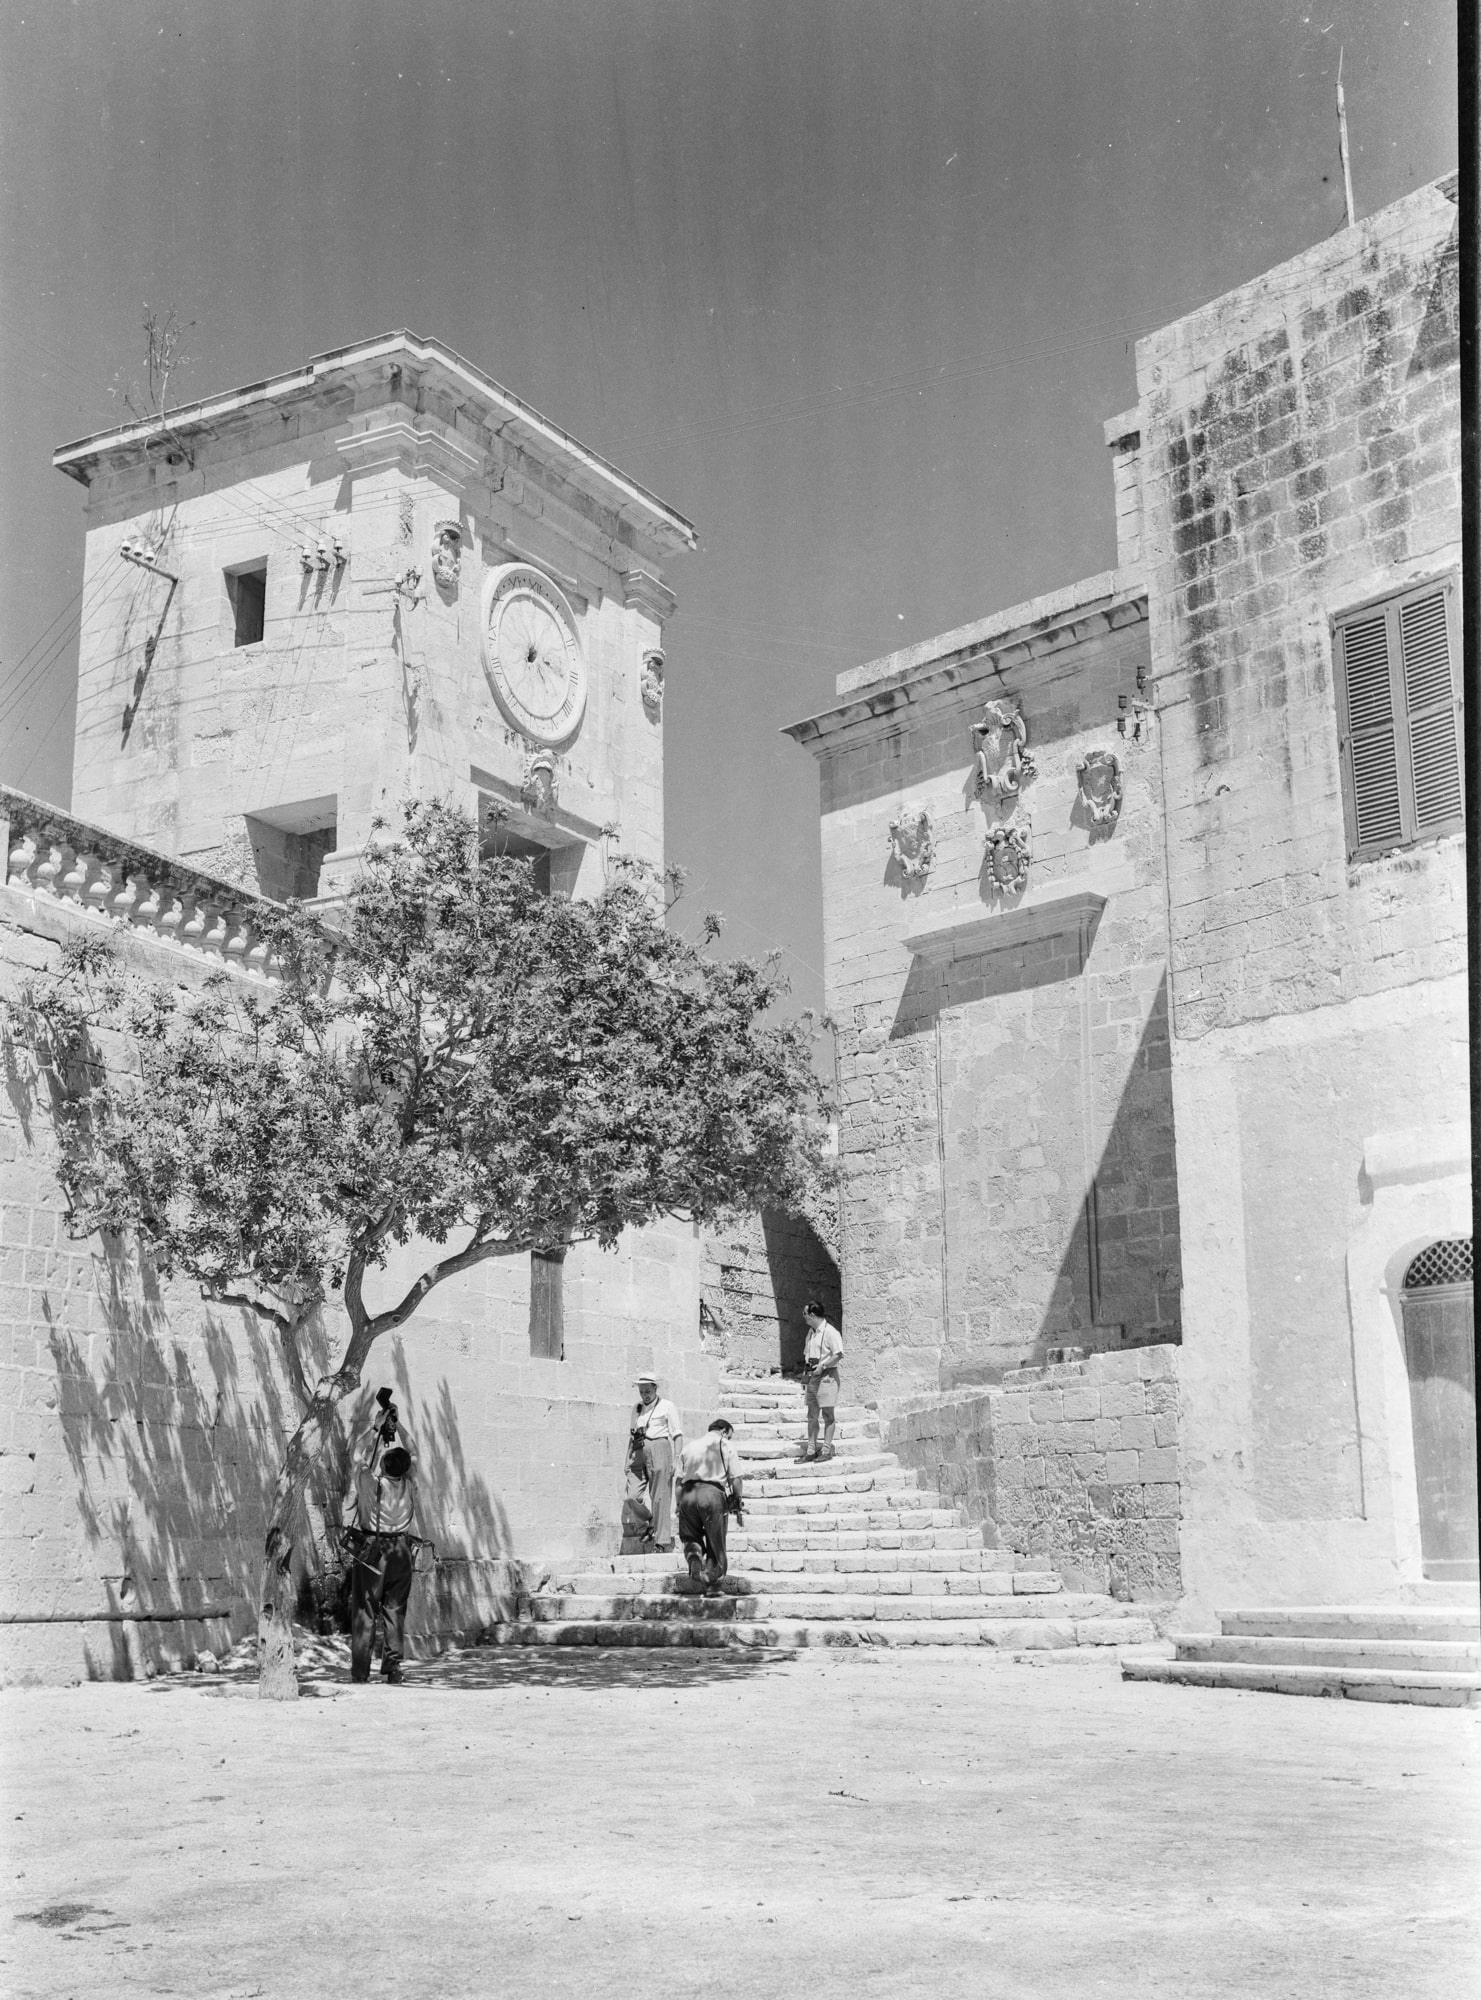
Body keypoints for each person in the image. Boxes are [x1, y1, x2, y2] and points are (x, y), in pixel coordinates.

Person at [345, 1387, 418, 1685]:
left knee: (365, 1609)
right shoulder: (410, 1483)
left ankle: (360, 1671)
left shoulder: (369, 1483)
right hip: (401, 1549)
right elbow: (414, 1450)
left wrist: (377, 1427)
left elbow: (357, 1454)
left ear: (384, 1465)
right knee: (395, 1610)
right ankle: (393, 1668)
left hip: (373, 1551)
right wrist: (397, 1425)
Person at [677, 1419, 744, 1593]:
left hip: (687, 1495)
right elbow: (736, 1479)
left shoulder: (690, 1446)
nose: (728, 1438)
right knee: (716, 1540)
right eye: (729, 1435)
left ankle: (694, 1562)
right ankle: (713, 1583)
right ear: (723, 1431)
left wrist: (678, 1504)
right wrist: (737, 1498)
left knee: (690, 1537)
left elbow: (678, 1481)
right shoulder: (725, 1445)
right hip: (712, 1495)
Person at [629, 1373, 684, 1553]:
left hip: (660, 1448)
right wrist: (628, 1460)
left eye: (647, 1391)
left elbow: (677, 1434)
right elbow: (632, 1435)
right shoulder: (637, 1408)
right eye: (641, 1391)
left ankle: (661, 1541)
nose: (644, 1395)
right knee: (632, 1496)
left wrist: (676, 1459)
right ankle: (648, 1523)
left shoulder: (667, 1406)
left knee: (660, 1497)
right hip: (639, 1451)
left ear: (655, 1388)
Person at [800, 1299, 844, 1462]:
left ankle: (826, 1451)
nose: (803, 1316)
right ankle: (811, 1451)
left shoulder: (831, 1332)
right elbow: (807, 1355)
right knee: (812, 1415)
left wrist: (823, 1366)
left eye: (805, 1313)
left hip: (827, 1376)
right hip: (812, 1376)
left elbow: (838, 1354)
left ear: (812, 1315)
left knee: (827, 1415)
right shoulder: (810, 1333)